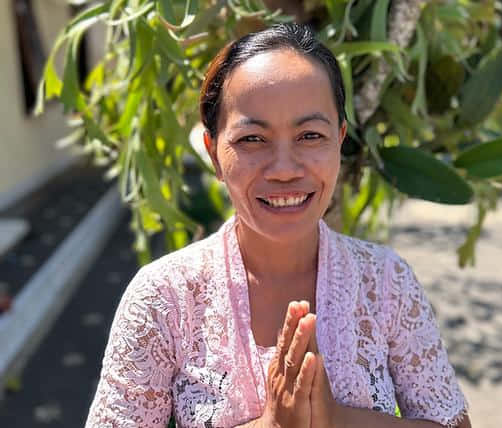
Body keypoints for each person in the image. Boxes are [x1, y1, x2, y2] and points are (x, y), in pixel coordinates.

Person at [84, 23, 471, 428]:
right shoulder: (165, 298)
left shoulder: (386, 283)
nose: (284, 170)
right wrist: (271, 424)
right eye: (253, 139)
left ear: (339, 141)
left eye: (309, 135)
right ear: (215, 154)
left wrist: (337, 419)